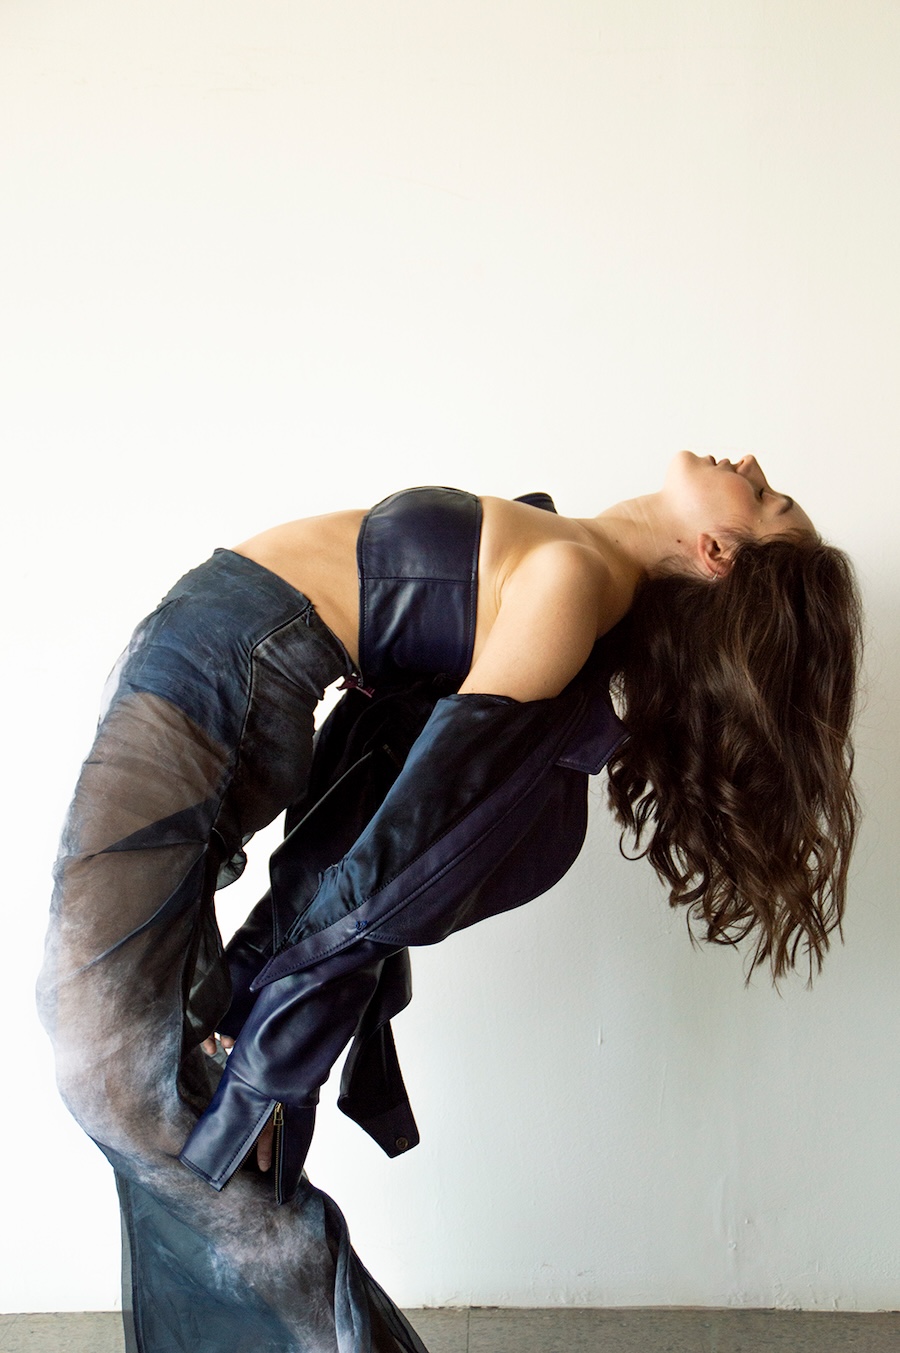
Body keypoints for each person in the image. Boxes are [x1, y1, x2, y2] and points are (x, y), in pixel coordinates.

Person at [37, 452, 861, 1353]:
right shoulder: (576, 549)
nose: (750, 463)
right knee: (133, 1071)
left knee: (111, 1064)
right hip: (199, 662)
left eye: (765, 497)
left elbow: (404, 852)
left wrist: (272, 1057)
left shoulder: (572, 581)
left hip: (212, 676)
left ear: (717, 552)